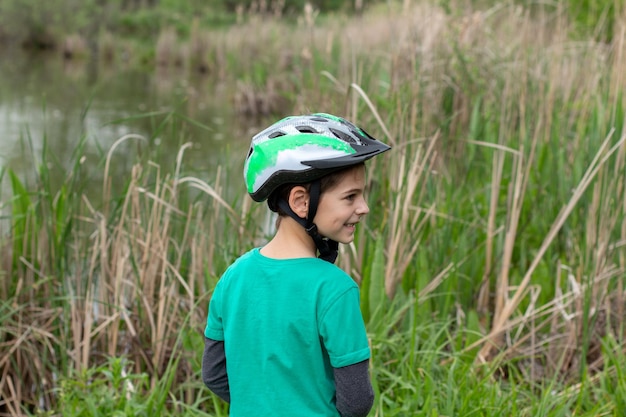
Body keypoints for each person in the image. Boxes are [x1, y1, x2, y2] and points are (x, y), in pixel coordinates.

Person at [202, 113, 391, 417]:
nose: (364, 207)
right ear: (301, 201)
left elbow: (214, 375)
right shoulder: (334, 289)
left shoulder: (232, 278)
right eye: (350, 196)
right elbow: (356, 401)